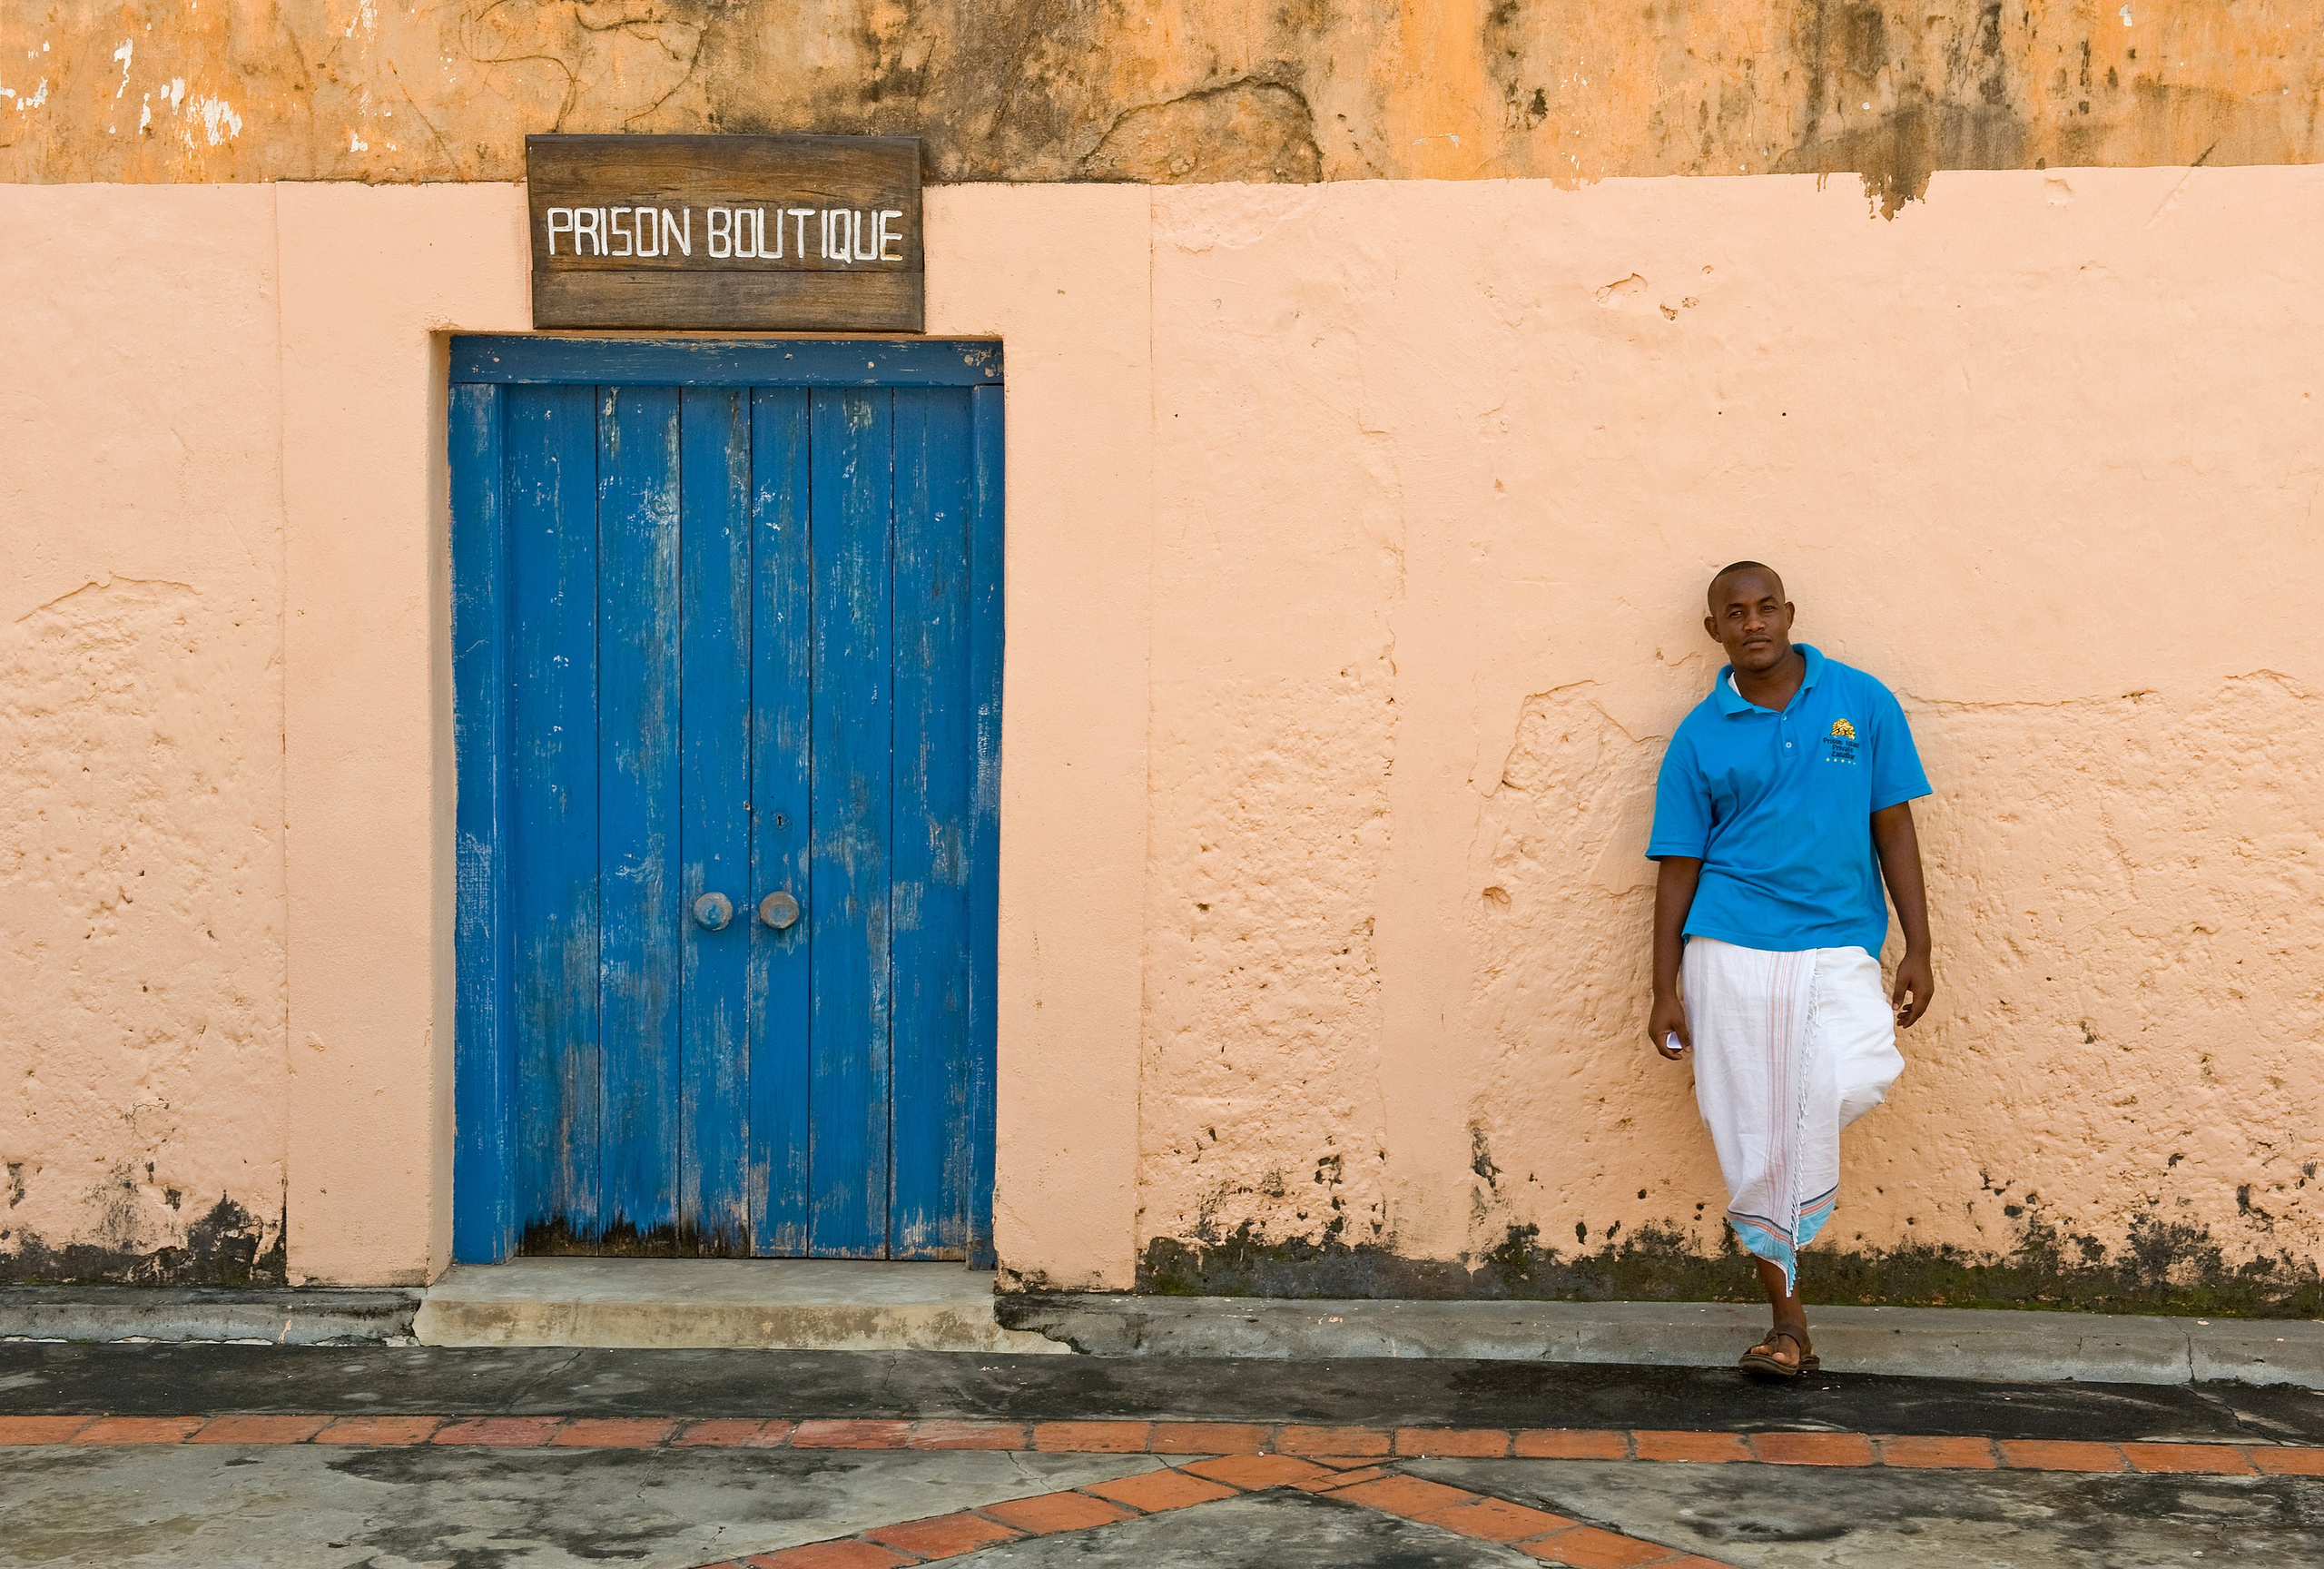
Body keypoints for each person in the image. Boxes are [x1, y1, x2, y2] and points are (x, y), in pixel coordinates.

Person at [1645, 561, 1935, 1379]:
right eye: (1735, 613)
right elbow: (1678, 867)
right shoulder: (1699, 735)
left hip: (1839, 941)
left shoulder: (1861, 701)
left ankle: (1788, 1284)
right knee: (1756, 1133)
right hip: (1730, 946)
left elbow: (1894, 827)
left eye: (1765, 607)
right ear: (1716, 631)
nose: (1753, 623)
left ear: (1789, 613)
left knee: (1855, 1075)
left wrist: (1919, 945)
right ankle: (1787, 1324)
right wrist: (1663, 986)